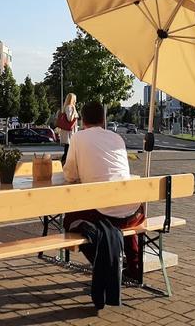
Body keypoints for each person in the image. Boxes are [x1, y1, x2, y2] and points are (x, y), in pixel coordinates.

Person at [63, 101, 145, 278]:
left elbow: (70, 175)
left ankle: (104, 265)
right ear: (103, 119)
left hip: (106, 214)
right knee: (122, 209)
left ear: (83, 120)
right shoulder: (117, 138)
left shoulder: (78, 138)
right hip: (135, 213)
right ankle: (134, 267)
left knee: (70, 222)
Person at [59, 93, 79, 163]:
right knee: (68, 151)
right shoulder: (70, 107)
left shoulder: (68, 107)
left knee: (68, 150)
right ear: (72, 99)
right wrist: (74, 113)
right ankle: (63, 164)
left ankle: (64, 164)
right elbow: (70, 119)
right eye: (75, 99)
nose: (76, 101)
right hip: (69, 133)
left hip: (69, 132)